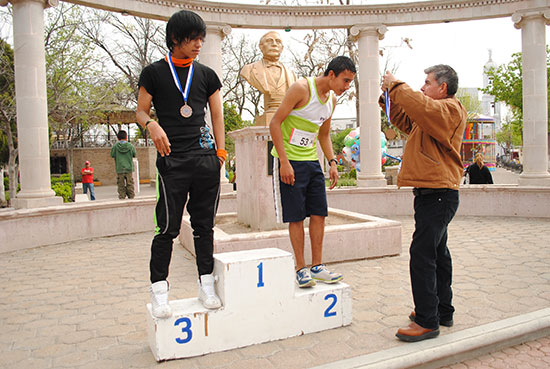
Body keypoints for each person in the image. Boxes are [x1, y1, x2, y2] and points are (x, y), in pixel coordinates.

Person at [136, 10, 226, 318]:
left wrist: (221, 153)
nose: (199, 43)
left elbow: (216, 115)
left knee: (204, 226)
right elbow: (139, 111)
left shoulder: (207, 74)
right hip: (171, 160)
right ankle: (159, 289)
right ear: (175, 38)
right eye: (193, 38)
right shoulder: (153, 73)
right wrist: (151, 124)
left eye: (202, 38)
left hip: (205, 158)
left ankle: (206, 284)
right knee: (167, 227)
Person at [380, 65, 467, 342]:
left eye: (427, 83)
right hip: (433, 193)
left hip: (438, 193)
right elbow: (406, 121)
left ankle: (427, 320)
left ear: (443, 88)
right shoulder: (431, 117)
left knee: (422, 255)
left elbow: (422, 108)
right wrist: (387, 97)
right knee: (437, 253)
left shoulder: (448, 110)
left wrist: (396, 85)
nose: (422, 87)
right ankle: (442, 310)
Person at [269, 56, 356, 288]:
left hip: (311, 163)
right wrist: (284, 162)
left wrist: (332, 161)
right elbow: (275, 123)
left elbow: (324, 134)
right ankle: (301, 268)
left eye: (350, 83)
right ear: (331, 74)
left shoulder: (332, 101)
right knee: (296, 216)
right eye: (345, 81)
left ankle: (317, 266)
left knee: (319, 213)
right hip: (290, 162)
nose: (346, 87)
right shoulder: (301, 88)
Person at [241, 31, 297, 125]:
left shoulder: (292, 74)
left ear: (282, 48)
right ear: (261, 46)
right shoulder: (249, 70)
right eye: (269, 41)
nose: (274, 44)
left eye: (278, 41)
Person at [110, 130, 136, 199]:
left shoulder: (115, 146)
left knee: (121, 184)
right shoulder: (130, 146)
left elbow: (112, 155)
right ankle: (131, 197)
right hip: (129, 168)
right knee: (130, 183)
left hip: (120, 168)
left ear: (118, 138)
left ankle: (122, 197)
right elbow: (134, 154)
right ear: (126, 137)